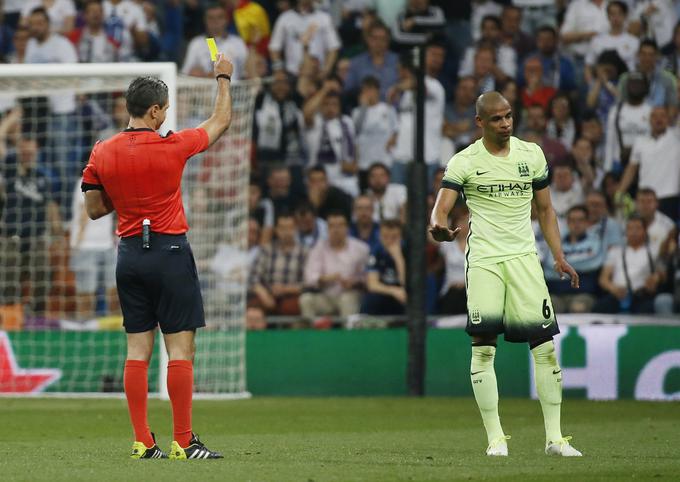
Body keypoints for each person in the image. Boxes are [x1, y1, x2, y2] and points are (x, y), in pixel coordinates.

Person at [80, 53, 235, 459]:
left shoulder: (102, 151)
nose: (165, 115)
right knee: (180, 350)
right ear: (153, 110)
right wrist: (222, 78)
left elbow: (94, 210)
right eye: (164, 109)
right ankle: (183, 441)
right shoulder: (174, 145)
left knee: (137, 350)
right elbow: (219, 123)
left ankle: (143, 441)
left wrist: (128, 191)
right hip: (168, 250)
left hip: (128, 255)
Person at [429, 91, 582, 457]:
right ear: (480, 122)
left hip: (525, 260)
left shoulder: (532, 155)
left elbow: (545, 210)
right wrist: (438, 227)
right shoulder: (464, 162)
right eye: (496, 119)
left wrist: (558, 256)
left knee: (545, 349)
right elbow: (441, 209)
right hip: (484, 262)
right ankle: (495, 439)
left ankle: (555, 439)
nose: (506, 123)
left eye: (509, 116)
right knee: (483, 350)